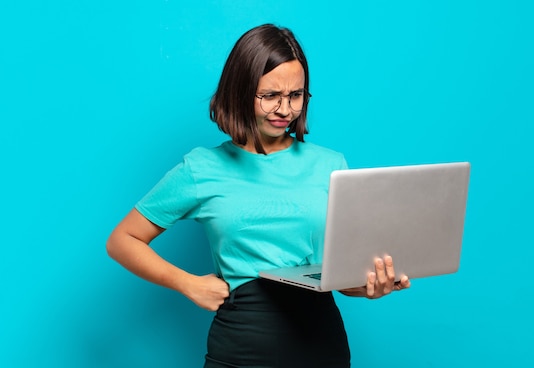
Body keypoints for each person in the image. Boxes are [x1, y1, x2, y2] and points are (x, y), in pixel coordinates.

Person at [106, 23, 411, 368]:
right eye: (270, 96)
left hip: (321, 345)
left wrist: (371, 286)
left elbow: (342, 278)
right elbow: (123, 240)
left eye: (296, 95)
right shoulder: (203, 168)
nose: (285, 109)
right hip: (240, 346)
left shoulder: (331, 165)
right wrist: (187, 283)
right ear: (240, 91)